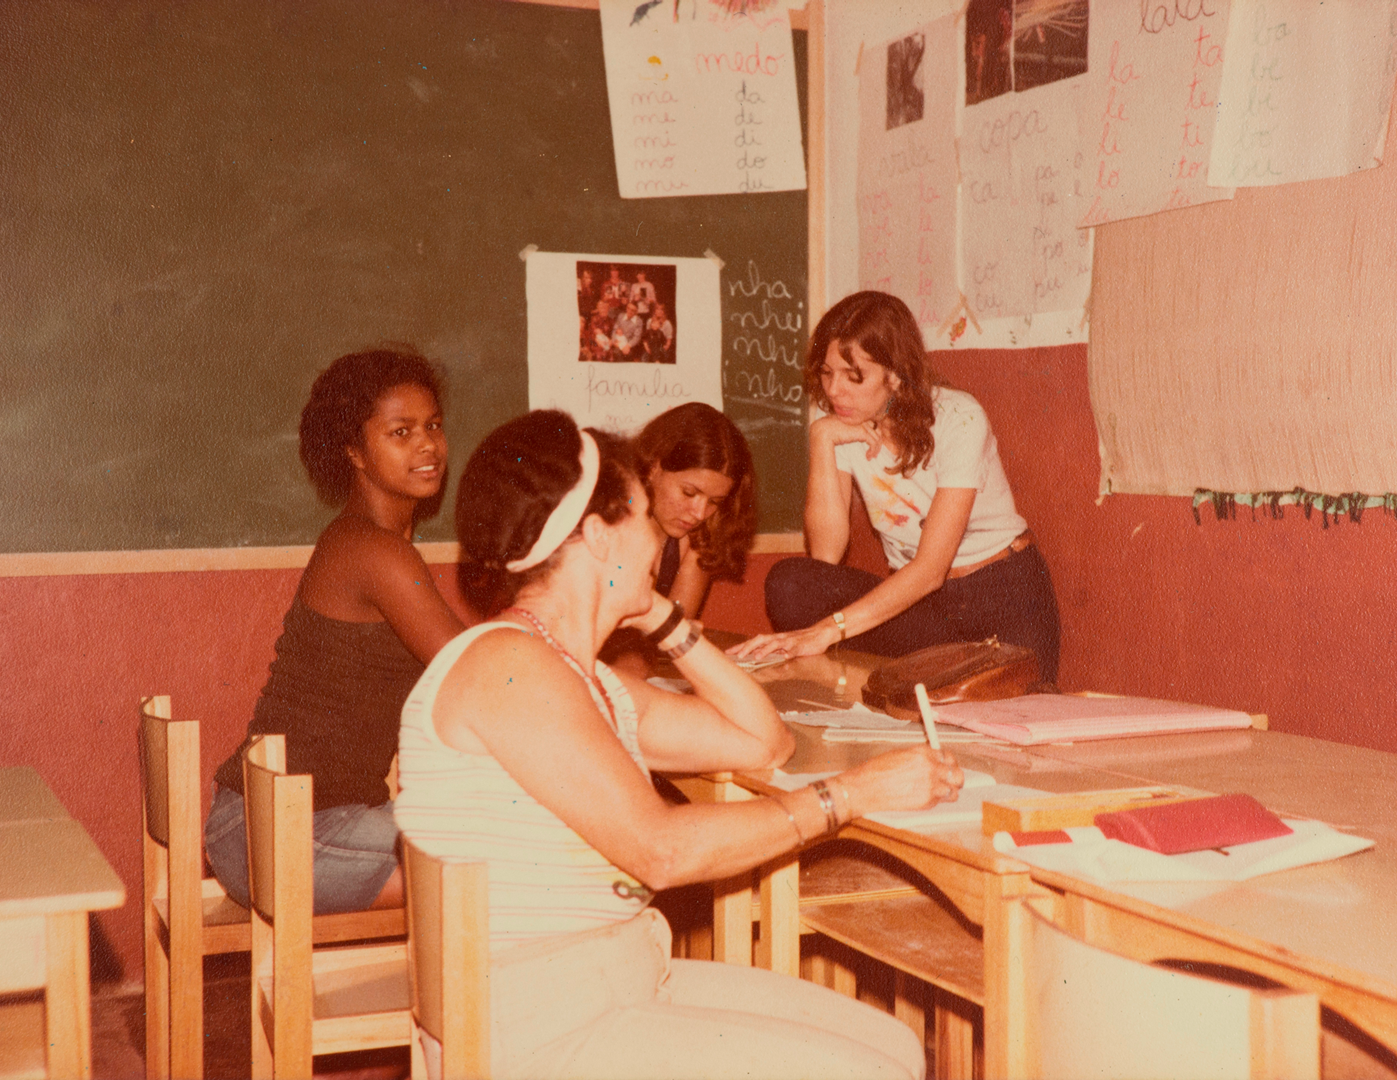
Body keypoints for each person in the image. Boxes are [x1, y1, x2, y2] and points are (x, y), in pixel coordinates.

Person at [394, 410, 959, 1079]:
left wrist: (664, 618)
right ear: (601, 536)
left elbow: (761, 743)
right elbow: (662, 850)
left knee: (891, 1048)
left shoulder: (577, 673)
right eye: (643, 515)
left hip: (614, 980)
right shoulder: (510, 669)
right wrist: (854, 794)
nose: (659, 535)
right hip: (537, 1029)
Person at [205, 349, 464, 914]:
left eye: (434, 426)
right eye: (401, 432)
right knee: (503, 853)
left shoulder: (372, 543)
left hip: (284, 822)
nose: (427, 445)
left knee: (498, 836)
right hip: (282, 834)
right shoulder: (374, 551)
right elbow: (472, 667)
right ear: (354, 452)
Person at [730, 291, 1060, 680]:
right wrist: (821, 440)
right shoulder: (836, 419)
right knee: (792, 582)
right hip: (923, 610)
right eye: (826, 372)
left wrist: (822, 632)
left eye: (854, 377)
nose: (835, 391)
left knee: (1011, 713)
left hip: (1001, 594)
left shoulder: (959, 418)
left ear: (896, 375)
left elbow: (930, 570)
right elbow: (824, 556)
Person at [634, 402, 755, 619]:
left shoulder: (697, 536)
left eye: (715, 501)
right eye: (689, 493)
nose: (699, 514)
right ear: (653, 466)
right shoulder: (609, 521)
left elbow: (673, 636)